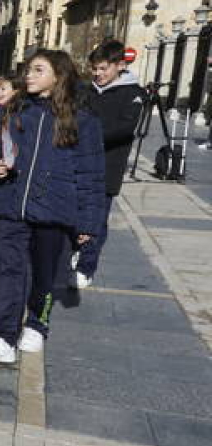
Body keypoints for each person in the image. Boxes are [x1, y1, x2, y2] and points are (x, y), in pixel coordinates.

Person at [0, 50, 104, 364]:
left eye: (38, 70)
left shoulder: (81, 120)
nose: (29, 75)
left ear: (58, 76)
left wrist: (88, 224)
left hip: (53, 209)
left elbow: (90, 175)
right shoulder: (15, 111)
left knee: (44, 272)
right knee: (10, 270)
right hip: (12, 205)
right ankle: (4, 336)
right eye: (28, 69)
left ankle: (37, 323)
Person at [72, 41, 144, 289]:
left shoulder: (133, 93)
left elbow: (125, 128)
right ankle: (74, 250)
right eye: (94, 69)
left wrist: (89, 137)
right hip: (78, 163)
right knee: (72, 212)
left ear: (120, 66)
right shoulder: (85, 91)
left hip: (107, 168)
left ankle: (86, 267)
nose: (98, 74)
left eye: (103, 68)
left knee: (96, 219)